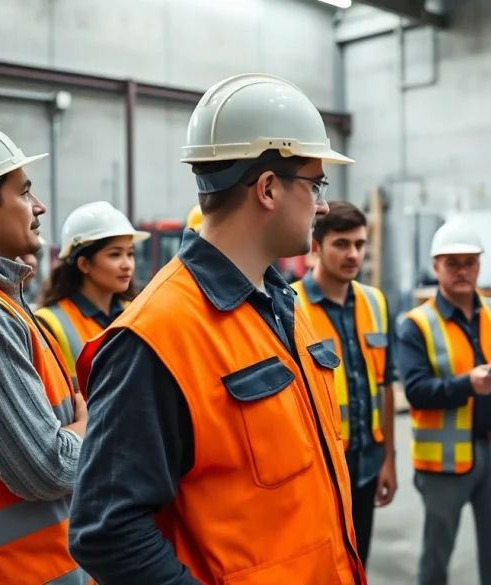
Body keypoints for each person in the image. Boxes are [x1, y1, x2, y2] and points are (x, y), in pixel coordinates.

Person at [67, 73, 365, 584]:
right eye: (315, 184)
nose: (320, 205)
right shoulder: (157, 335)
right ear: (268, 188)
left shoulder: (283, 305)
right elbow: (107, 531)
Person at [0, 118, 88, 583]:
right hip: (13, 572)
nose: (39, 206)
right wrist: (91, 428)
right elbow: (44, 469)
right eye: (25, 191)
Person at [397, 217, 491, 585]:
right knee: (436, 557)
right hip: (444, 463)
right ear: (436, 267)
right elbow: (415, 390)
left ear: (480, 264)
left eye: (470, 262)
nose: (462, 271)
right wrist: (468, 384)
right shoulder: (416, 324)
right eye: (452, 263)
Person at [291, 200, 398, 568]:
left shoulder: (376, 303)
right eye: (342, 244)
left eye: (360, 244)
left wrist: (388, 460)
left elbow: (384, 385)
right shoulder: (289, 306)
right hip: (318, 471)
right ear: (316, 247)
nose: (353, 254)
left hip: (367, 464)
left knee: (357, 562)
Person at [35, 201, 149, 379]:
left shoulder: (137, 314)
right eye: (115, 254)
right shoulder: (50, 322)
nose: (127, 265)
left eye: (130, 254)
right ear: (84, 264)